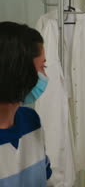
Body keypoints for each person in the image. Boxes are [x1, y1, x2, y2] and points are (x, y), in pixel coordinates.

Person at [0, 21, 52, 186]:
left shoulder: (31, 121)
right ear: (20, 71)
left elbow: (46, 179)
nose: (45, 76)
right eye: (42, 67)